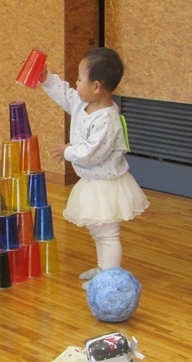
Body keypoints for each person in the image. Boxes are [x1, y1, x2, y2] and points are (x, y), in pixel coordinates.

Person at [37, 47, 149, 290]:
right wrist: (47, 79)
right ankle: (103, 268)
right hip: (91, 182)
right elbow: (65, 95)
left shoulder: (107, 120)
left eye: (79, 79)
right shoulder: (82, 102)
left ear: (96, 86)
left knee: (108, 233)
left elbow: (91, 152)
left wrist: (67, 151)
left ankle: (110, 279)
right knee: (97, 229)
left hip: (106, 186)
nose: (75, 84)